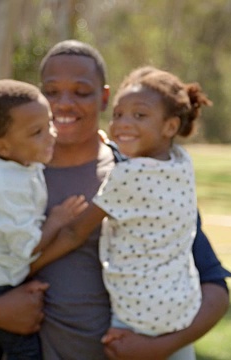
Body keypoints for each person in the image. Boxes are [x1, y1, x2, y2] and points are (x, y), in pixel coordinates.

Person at [0, 40, 231, 360]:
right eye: (51, 91)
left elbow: (214, 288)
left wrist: (157, 348)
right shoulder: (1, 179)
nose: (64, 103)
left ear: (103, 97)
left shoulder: (143, 177)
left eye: (81, 92)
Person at [51, 65, 214, 360]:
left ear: (170, 126)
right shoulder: (180, 161)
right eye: (118, 115)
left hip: (136, 318)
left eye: (139, 116)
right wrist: (116, 146)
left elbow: (76, 232)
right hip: (180, 310)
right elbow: (145, 164)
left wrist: (25, 268)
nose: (123, 123)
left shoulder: (128, 176)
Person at [0, 79, 88, 359]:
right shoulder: (8, 189)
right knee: (23, 349)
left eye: (49, 123)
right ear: (3, 145)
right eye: (37, 132)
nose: (52, 135)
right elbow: (28, 247)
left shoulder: (6, 158)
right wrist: (57, 220)